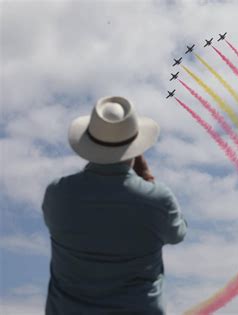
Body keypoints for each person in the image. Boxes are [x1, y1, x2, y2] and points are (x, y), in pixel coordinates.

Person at [42, 96, 187, 315]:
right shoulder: (157, 199)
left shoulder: (57, 194)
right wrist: (147, 179)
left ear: (89, 144)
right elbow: (177, 234)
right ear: (135, 149)